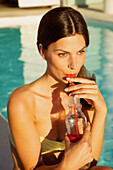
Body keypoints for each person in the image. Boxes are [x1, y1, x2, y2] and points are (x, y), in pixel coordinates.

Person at [7, 7, 112, 170]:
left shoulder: (84, 93)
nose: (74, 65)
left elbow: (90, 163)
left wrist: (101, 109)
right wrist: (67, 165)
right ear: (43, 52)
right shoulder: (23, 101)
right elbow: (31, 168)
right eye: (63, 54)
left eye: (80, 52)